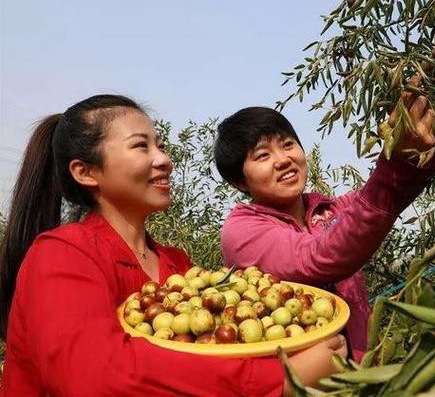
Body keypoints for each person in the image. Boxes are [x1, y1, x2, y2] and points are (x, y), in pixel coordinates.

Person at [0, 95, 346, 396]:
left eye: (161, 145)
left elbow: (210, 360)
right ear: (85, 172)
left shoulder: (177, 266)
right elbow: (90, 377)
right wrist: (278, 379)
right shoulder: (61, 254)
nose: (164, 159)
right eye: (141, 146)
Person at [214, 71, 435, 362]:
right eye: (263, 156)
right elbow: (320, 256)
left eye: (288, 145)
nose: (283, 159)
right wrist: (394, 161)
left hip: (360, 375)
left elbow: (389, 194)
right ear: (239, 181)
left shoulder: (329, 211)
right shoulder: (243, 231)